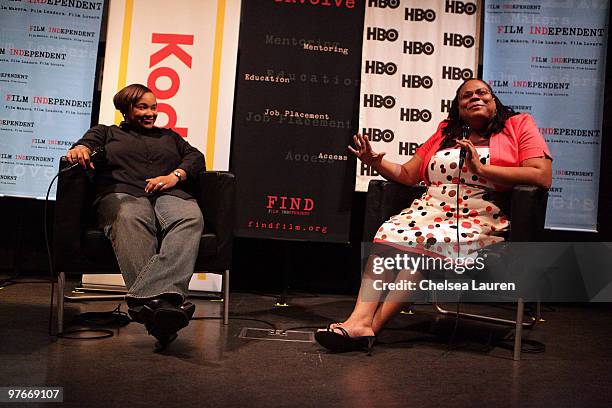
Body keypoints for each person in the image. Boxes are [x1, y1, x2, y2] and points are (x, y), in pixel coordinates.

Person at [315, 78, 552, 353]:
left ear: (494, 101)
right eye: (466, 96)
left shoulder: (518, 125)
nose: (475, 97)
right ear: (458, 109)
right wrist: (375, 162)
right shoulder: (446, 132)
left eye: (482, 92)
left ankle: (366, 327)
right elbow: (408, 174)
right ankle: (359, 321)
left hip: (478, 215)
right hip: (429, 210)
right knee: (390, 233)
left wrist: (483, 169)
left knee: (423, 243)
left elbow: (541, 174)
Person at [66, 84, 205, 349]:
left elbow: (196, 158)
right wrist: (81, 149)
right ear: (126, 109)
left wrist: (173, 176)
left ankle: (146, 304)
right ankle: (166, 309)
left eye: (154, 107)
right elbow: (86, 145)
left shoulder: (170, 137)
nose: (151, 113)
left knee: (190, 216)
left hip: (168, 194)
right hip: (123, 194)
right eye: (143, 107)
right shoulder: (106, 133)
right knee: (130, 215)